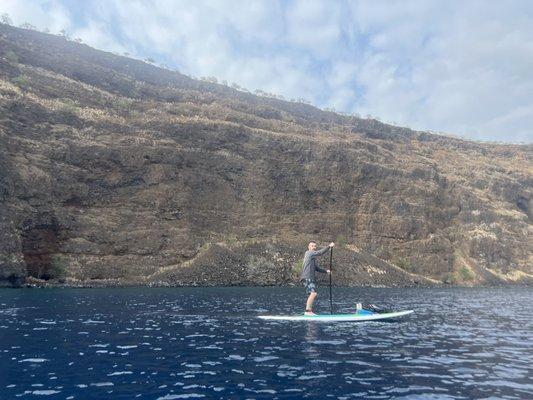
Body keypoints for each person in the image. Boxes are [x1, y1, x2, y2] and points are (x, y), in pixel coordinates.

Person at [301, 241, 334, 315]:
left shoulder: (312, 258)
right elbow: (320, 253)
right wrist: (329, 246)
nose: (314, 247)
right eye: (312, 246)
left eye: (315, 246)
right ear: (309, 247)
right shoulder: (308, 253)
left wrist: (326, 271)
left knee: (312, 294)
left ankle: (309, 311)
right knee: (313, 293)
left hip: (309, 277)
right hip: (307, 276)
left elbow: (316, 268)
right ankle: (308, 311)